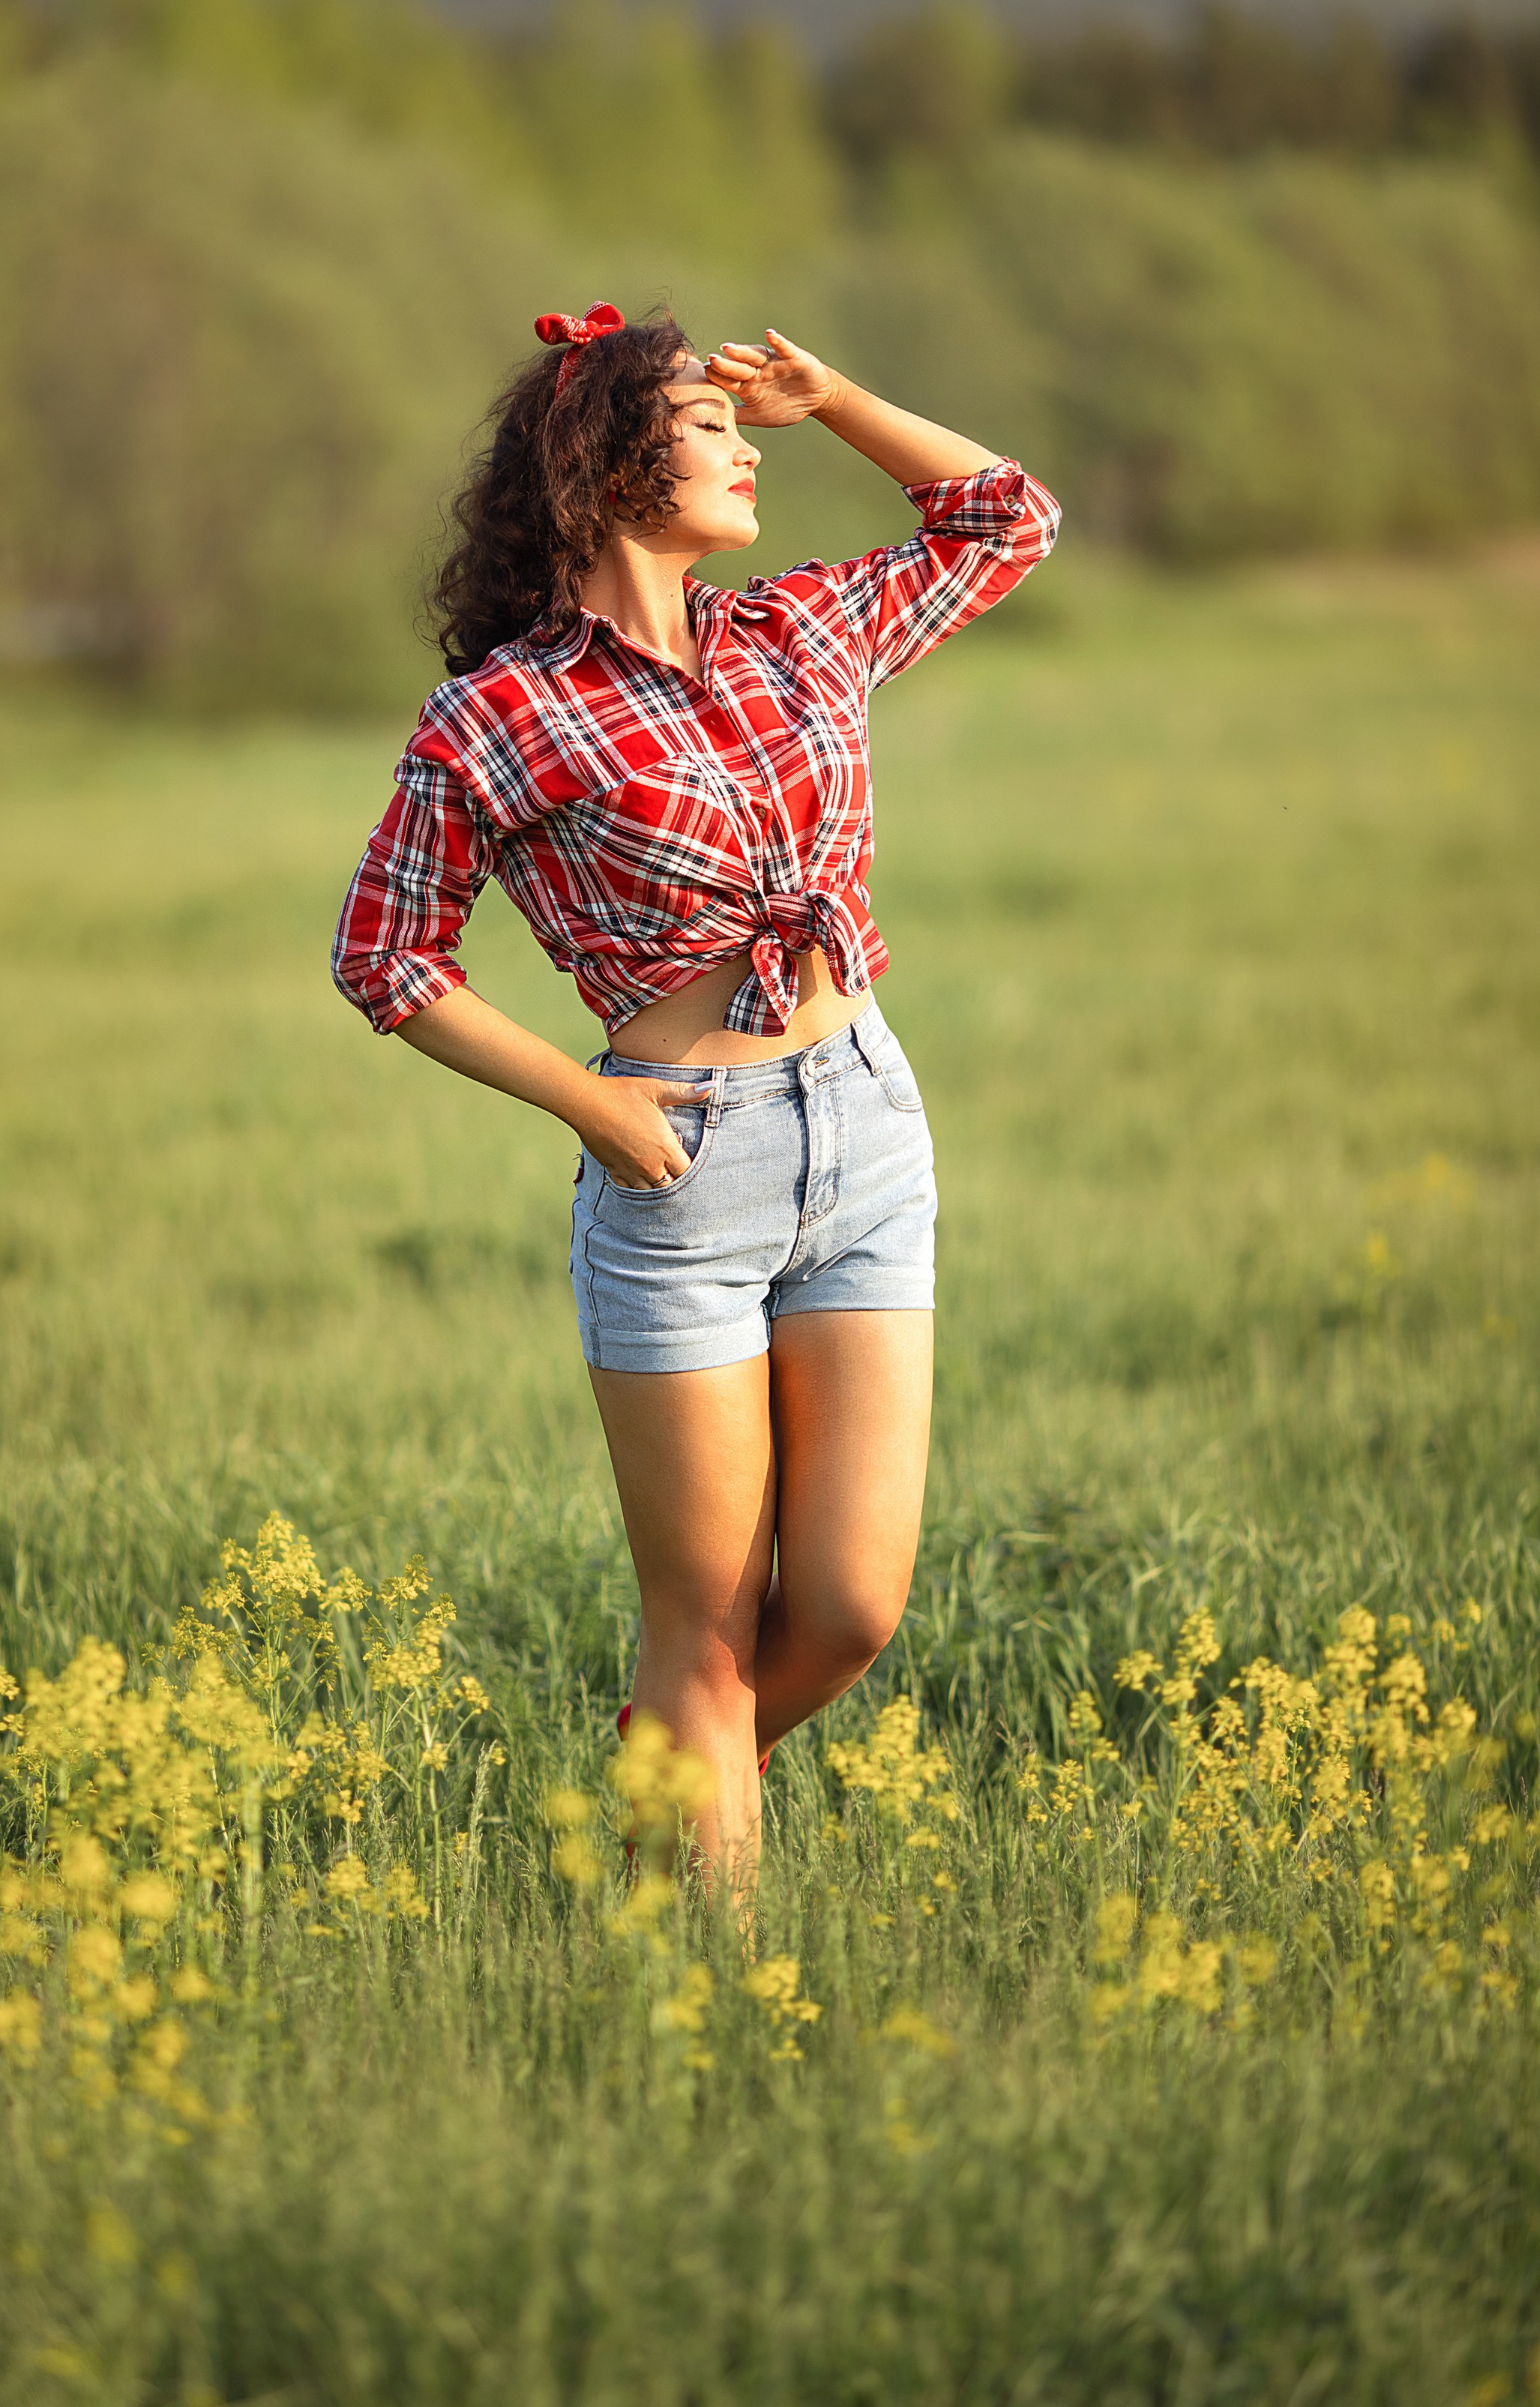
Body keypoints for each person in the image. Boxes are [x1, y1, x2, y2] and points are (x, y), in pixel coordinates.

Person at [332, 305, 1059, 1891]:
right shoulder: (502, 714)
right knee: (708, 1632)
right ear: (608, 468)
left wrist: (836, 395)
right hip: (679, 1169)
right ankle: (692, 1969)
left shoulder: (799, 628)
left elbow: (1005, 517)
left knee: (851, 1609)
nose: (749, 449)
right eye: (707, 424)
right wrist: (587, 1106)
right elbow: (385, 954)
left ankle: (649, 1795)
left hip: (867, 1130)